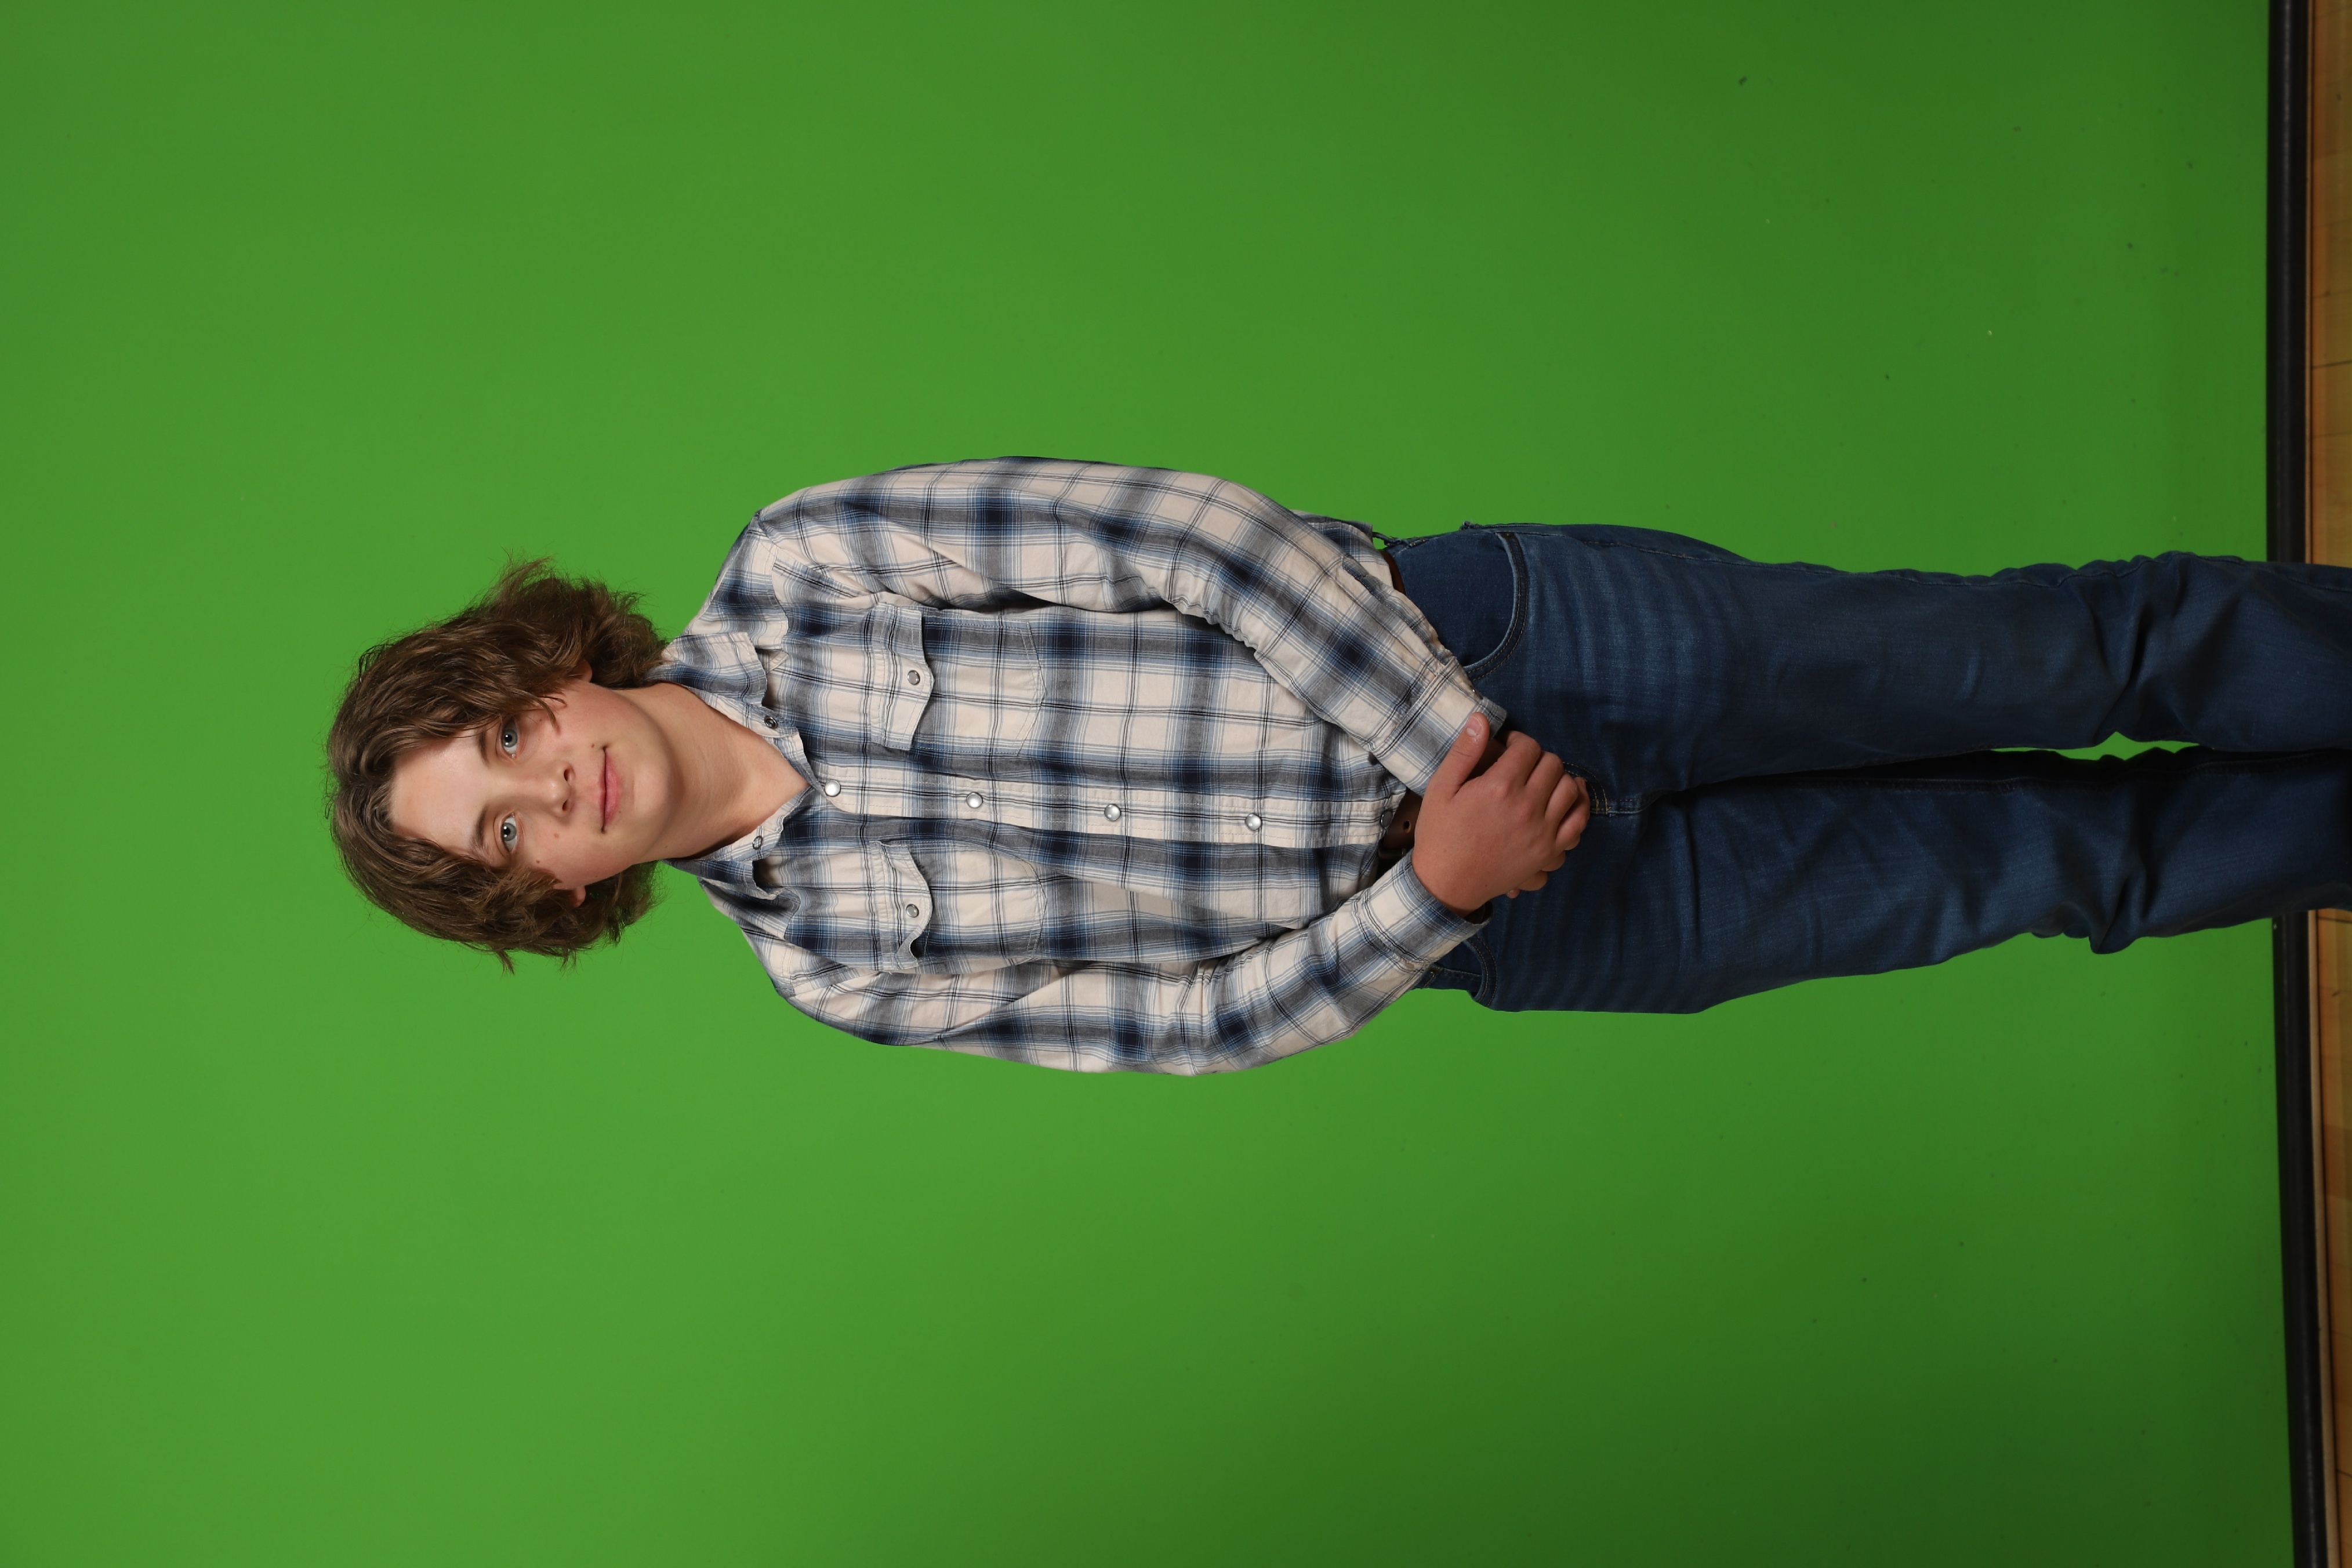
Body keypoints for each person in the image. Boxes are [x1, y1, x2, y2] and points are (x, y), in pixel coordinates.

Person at [328, 456, 2352, 1073]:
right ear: (551, 897)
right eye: (502, 836)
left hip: (1515, 651)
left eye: (508, 735)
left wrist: (1446, 752)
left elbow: (1185, 541)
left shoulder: (808, 561)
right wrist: (1438, 888)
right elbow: (1181, 1029)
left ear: (550, 669)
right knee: (2059, 869)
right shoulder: (831, 967)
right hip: (1520, 917)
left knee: (2071, 650)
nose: (550, 787)